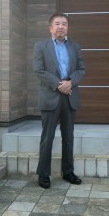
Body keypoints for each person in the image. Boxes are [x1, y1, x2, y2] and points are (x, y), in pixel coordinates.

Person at [33, 12, 86, 189]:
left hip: (70, 97)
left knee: (68, 137)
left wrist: (70, 81)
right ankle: (43, 174)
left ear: (67, 27)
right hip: (50, 97)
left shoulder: (75, 47)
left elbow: (81, 69)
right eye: (57, 24)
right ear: (50, 28)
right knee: (47, 137)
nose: (61, 27)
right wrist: (58, 85)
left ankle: (68, 172)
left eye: (64, 24)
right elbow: (39, 70)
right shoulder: (41, 46)